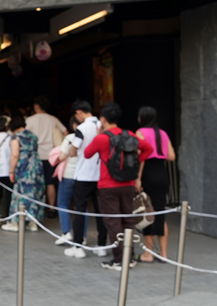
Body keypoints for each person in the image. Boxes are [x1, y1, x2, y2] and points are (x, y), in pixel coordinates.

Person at [84, 103, 153, 271]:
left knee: (113, 222)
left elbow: (87, 154)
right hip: (128, 184)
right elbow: (148, 149)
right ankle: (129, 257)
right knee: (127, 220)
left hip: (108, 185)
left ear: (103, 119)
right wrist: (136, 167)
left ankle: (119, 260)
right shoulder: (129, 134)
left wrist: (99, 137)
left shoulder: (101, 138)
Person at [64, 101, 109, 260]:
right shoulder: (102, 124)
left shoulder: (82, 128)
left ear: (78, 112)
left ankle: (78, 246)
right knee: (101, 211)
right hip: (100, 175)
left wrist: (72, 149)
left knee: (80, 210)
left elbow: (73, 151)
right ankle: (102, 245)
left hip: (83, 174)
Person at [136, 106, 176, 263]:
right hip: (162, 174)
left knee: (147, 213)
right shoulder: (163, 133)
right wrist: (159, 153)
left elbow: (141, 158)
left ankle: (148, 253)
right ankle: (164, 254)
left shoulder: (141, 133)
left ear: (142, 118)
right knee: (160, 213)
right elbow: (171, 156)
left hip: (148, 174)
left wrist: (138, 179)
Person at [26, 96, 66, 220]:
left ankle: (37, 206)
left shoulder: (29, 120)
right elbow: (65, 132)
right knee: (50, 183)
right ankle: (52, 208)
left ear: (36, 106)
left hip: (35, 155)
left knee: (35, 182)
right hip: (51, 155)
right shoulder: (53, 119)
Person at [54, 117, 88, 245]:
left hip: (68, 174)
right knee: (82, 206)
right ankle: (82, 236)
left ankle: (66, 232)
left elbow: (62, 156)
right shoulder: (90, 138)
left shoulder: (70, 138)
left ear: (74, 125)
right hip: (83, 176)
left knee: (63, 203)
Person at [6, 116, 43, 232]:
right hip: (36, 165)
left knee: (20, 193)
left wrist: (11, 171)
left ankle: (16, 222)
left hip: (24, 167)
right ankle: (33, 222)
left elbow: (15, 155)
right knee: (34, 193)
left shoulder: (15, 137)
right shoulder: (33, 135)